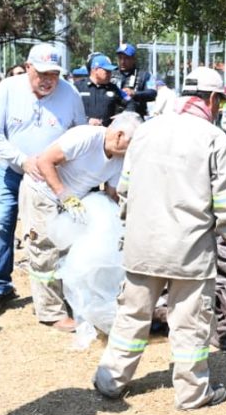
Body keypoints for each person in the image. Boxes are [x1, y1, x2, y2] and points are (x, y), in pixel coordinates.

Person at [94, 67, 226, 409]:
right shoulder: (213, 138)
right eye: (218, 101)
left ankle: (110, 380)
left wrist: (129, 229)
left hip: (142, 245)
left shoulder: (146, 131)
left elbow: (125, 188)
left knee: (131, 315)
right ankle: (192, 393)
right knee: (190, 324)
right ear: (211, 99)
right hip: (188, 250)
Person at [0, 43, 86, 315]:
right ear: (28, 68)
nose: (48, 80)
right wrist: (22, 160)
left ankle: (62, 289)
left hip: (52, 180)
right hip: (12, 173)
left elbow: (80, 135)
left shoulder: (70, 93)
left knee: (53, 232)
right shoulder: (8, 88)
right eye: (42, 73)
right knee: (3, 225)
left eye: (53, 74)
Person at [21, 113, 141, 330]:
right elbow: (45, 161)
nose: (132, 150)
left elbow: (113, 192)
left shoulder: (120, 158)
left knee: (68, 249)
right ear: (119, 134)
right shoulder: (86, 137)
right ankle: (50, 313)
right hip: (43, 192)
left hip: (72, 200)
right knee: (44, 249)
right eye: (131, 143)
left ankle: (61, 299)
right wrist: (64, 195)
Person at [75, 53, 127, 126]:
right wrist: (87, 120)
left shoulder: (113, 88)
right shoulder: (78, 87)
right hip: (83, 131)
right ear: (95, 70)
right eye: (107, 71)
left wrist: (124, 115)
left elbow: (130, 102)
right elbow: (68, 109)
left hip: (106, 133)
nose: (110, 74)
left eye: (110, 71)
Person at [114, 43, 156, 117]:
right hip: (114, 117)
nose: (122, 62)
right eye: (120, 58)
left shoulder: (144, 75)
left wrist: (134, 93)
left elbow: (152, 93)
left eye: (126, 58)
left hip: (135, 117)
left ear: (133, 59)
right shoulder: (111, 73)